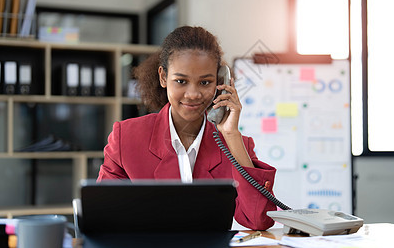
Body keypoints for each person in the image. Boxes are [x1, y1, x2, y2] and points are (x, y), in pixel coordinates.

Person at [97, 26, 277, 230]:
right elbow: (105, 217)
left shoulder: (236, 144)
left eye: (205, 82)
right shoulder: (126, 137)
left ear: (220, 82)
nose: (193, 94)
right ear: (163, 77)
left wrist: (230, 134)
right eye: (181, 81)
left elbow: (258, 220)